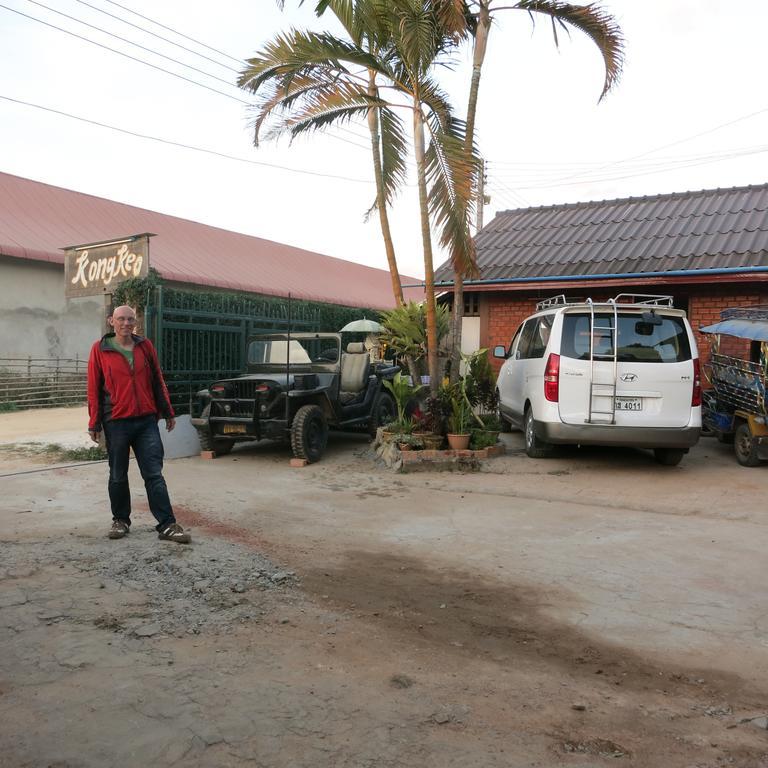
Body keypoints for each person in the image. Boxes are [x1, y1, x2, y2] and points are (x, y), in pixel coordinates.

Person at [87, 304, 191, 543]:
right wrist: (94, 423)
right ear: (111, 321)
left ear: (135, 323)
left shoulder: (145, 346)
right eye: (121, 319)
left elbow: (157, 379)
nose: (126, 324)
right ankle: (121, 520)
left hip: (146, 421)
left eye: (130, 319)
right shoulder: (99, 349)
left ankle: (167, 524)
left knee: (154, 473)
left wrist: (167, 411)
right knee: (117, 474)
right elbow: (93, 388)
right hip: (116, 421)